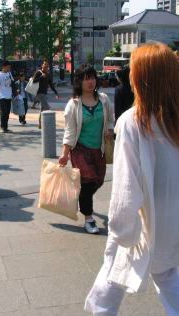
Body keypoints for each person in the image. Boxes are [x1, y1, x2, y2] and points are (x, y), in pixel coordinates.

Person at [84, 43, 179, 316]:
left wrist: (121, 226)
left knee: (149, 270)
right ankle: (103, 315)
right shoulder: (177, 123)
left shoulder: (132, 122)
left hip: (143, 214)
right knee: (135, 266)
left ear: (140, 77)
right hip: (173, 214)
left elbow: (126, 185)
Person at [58, 64, 114, 234]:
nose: (90, 81)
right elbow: (70, 131)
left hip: (99, 149)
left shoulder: (103, 99)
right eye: (85, 78)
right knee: (88, 181)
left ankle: (82, 196)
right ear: (79, 82)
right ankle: (89, 219)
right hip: (80, 149)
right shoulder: (73, 104)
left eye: (92, 77)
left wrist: (110, 129)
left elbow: (111, 118)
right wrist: (64, 154)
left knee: (98, 180)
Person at [32, 60, 60, 128]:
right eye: (45, 65)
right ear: (42, 65)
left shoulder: (48, 74)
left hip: (44, 93)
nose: (46, 66)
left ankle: (40, 124)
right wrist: (41, 77)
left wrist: (56, 92)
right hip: (39, 93)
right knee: (47, 108)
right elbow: (33, 81)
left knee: (43, 109)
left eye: (47, 65)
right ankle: (48, 124)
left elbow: (51, 85)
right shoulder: (38, 72)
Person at [0, 61, 14, 133]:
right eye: (8, 67)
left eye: (9, 67)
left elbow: (12, 83)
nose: (9, 68)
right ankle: (2, 127)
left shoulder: (9, 74)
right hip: (1, 96)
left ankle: (6, 127)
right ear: (4, 67)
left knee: (7, 113)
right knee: (3, 112)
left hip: (9, 96)